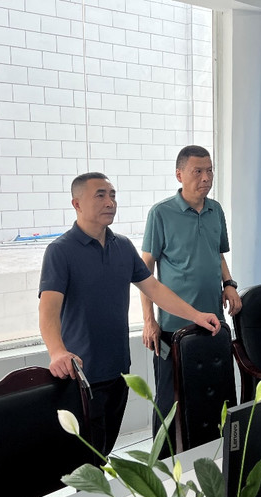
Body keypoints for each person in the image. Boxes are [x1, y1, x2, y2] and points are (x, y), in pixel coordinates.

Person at [39, 172, 222, 456]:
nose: (110, 202)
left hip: (118, 369)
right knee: (85, 460)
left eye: (112, 195)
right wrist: (57, 351)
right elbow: (48, 309)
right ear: (76, 204)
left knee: (104, 451)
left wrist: (196, 315)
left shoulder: (122, 246)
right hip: (81, 375)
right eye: (100, 195)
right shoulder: (60, 251)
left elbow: (154, 288)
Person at [140, 145, 241, 455]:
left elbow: (217, 253)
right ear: (179, 174)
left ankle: (214, 457)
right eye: (198, 171)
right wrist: (149, 321)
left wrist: (229, 284)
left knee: (213, 397)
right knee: (169, 404)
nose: (206, 178)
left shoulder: (216, 210)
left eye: (209, 171)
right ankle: (163, 466)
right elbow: (144, 272)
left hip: (213, 323)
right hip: (173, 328)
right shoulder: (161, 214)